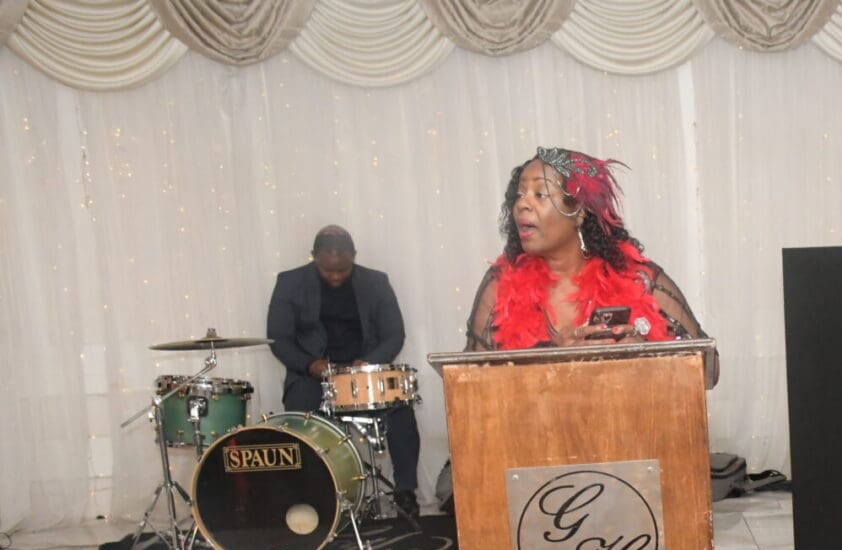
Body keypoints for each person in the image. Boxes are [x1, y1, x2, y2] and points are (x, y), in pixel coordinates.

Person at [463, 146, 713, 386]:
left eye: (540, 194)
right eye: (520, 194)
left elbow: (709, 372)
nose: (522, 204)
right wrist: (549, 355)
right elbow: (470, 380)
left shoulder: (640, 279)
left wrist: (646, 356)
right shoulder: (500, 283)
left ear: (579, 211)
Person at [267, 225, 421, 516]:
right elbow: (278, 338)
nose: (336, 276)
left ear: (353, 257)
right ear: (314, 257)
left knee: (402, 410)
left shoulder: (376, 282)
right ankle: (309, 496)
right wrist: (309, 365)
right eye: (328, 271)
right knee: (298, 417)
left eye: (343, 270)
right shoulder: (289, 283)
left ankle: (405, 491)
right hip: (313, 375)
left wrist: (368, 362)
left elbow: (394, 335)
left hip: (364, 373)